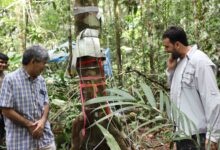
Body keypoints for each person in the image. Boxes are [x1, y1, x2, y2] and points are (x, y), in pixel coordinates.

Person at [163, 26, 220, 150]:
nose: (165, 50)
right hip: (182, 133)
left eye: (167, 47)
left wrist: (214, 136)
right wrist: (171, 70)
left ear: (177, 44)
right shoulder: (179, 62)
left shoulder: (200, 61)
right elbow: (176, 94)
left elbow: (212, 98)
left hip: (198, 135)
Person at [0, 45, 56, 150]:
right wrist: (29, 125)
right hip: (21, 142)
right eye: (43, 63)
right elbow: (5, 110)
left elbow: (46, 103)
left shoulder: (41, 80)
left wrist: (43, 121)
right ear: (33, 61)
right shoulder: (10, 80)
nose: (44, 67)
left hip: (45, 140)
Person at [0, 52, 9, 149]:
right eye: (1, 62)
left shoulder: (7, 76)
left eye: (5, 63)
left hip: (4, 111)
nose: (3, 65)